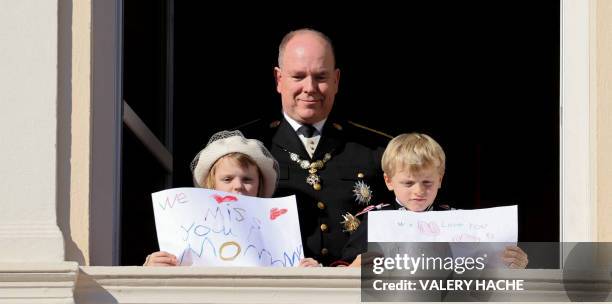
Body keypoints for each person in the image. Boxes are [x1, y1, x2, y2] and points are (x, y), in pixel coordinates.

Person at [238, 28, 392, 265]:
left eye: (320, 77)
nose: (310, 87)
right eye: (298, 77)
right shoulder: (245, 146)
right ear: (279, 79)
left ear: (336, 80)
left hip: (357, 292)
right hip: (274, 293)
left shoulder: (378, 149)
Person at [342, 132, 529, 268]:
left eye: (427, 182)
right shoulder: (374, 219)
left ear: (439, 179)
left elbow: (487, 269)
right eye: (408, 183)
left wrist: (513, 265)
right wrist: (353, 270)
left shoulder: (457, 220)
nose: (419, 191)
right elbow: (343, 266)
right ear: (388, 181)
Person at [143, 129, 319, 267]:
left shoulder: (281, 231)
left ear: (260, 186)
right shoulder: (186, 225)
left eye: (247, 179)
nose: (237, 186)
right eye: (227, 179)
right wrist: (153, 267)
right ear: (211, 185)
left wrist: (308, 272)